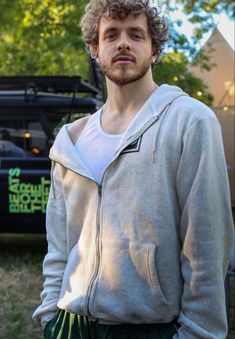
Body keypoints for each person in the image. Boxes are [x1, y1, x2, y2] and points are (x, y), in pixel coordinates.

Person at [33, 0, 234, 338]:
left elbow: (207, 246)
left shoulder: (189, 122)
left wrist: (199, 332)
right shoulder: (70, 140)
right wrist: (51, 312)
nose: (123, 43)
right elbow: (60, 242)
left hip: (149, 328)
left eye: (135, 35)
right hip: (70, 323)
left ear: (154, 49)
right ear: (96, 50)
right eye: (111, 35)